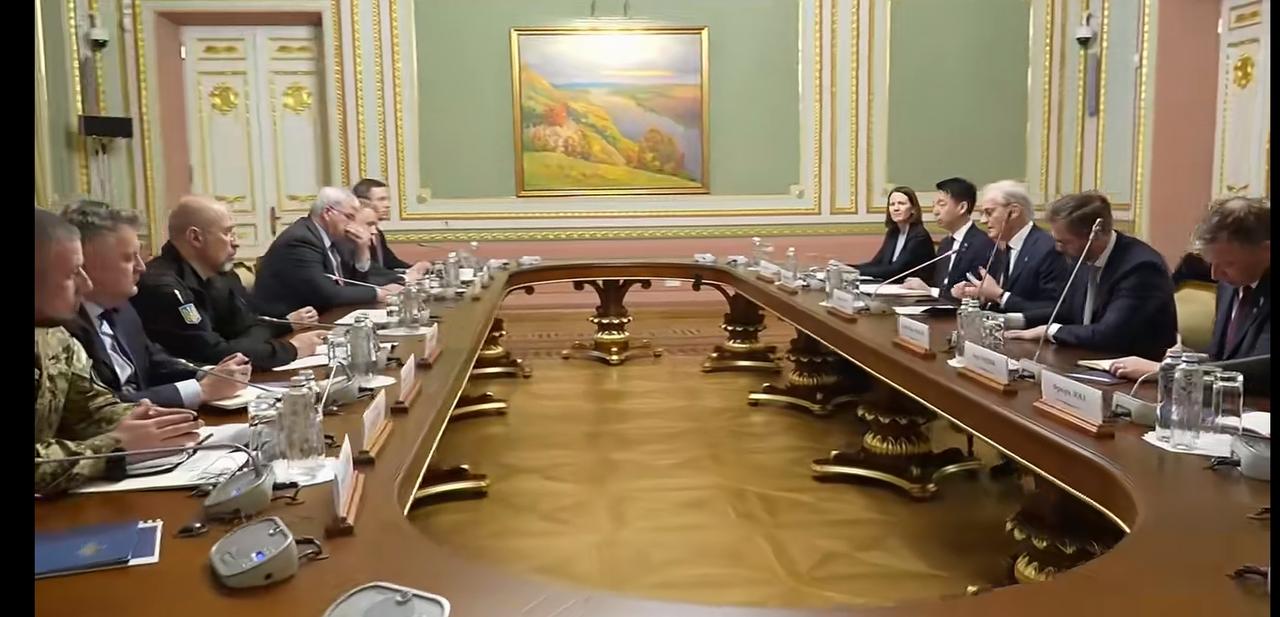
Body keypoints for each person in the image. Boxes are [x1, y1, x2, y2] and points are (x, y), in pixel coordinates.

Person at [35, 208, 202, 496]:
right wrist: (114, 446)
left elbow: (90, 407)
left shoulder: (54, 336)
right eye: (73, 273)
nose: (85, 284)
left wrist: (150, 421)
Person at [60, 200, 251, 409]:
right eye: (128, 258)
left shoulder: (122, 309)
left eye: (139, 255)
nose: (141, 267)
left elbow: (154, 361)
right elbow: (98, 408)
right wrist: (200, 390)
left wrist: (210, 373)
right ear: (84, 263)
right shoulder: (60, 326)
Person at [131, 196, 326, 370]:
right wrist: (291, 349)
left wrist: (277, 328)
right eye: (227, 233)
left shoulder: (221, 274)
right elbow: (215, 355)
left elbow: (247, 327)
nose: (236, 242)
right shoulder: (163, 288)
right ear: (195, 237)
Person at [1108, 197, 1270, 392]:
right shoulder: (1231, 284)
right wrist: (1189, 358)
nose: (1215, 275)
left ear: (1266, 251)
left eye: (1228, 264)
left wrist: (1171, 372)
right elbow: (1226, 357)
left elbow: (1261, 369)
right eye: (1212, 263)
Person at [1005, 192, 1178, 360]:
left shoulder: (1141, 268)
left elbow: (1109, 334)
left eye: (1063, 242)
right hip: (1085, 359)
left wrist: (1050, 331)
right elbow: (1067, 312)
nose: (1057, 248)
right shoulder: (1082, 257)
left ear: (1094, 236)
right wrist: (1013, 321)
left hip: (1129, 368)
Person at [253, 187, 403, 317]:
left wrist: (361, 249)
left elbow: (351, 284)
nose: (353, 224)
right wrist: (378, 293)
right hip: (286, 324)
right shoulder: (301, 240)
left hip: (322, 314)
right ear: (328, 212)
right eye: (349, 217)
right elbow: (326, 294)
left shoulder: (333, 238)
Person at [951, 180, 1068, 315]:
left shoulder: (1047, 248)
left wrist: (999, 295)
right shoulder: (1005, 247)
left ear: (1013, 212)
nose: (983, 221)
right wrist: (979, 295)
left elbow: (1055, 309)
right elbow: (1004, 297)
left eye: (989, 212)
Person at [902, 177, 995, 299]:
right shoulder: (945, 244)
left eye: (942, 204)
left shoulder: (982, 244)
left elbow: (970, 294)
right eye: (934, 205)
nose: (935, 211)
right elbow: (939, 284)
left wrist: (930, 291)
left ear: (962, 207)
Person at [351, 178, 430, 278]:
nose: (387, 205)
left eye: (388, 199)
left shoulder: (377, 233)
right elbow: (371, 271)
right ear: (361, 202)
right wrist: (405, 276)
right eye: (381, 199)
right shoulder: (352, 235)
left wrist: (415, 268)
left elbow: (390, 262)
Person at [854, 186, 936, 281]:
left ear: (913, 209)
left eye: (901, 203)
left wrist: (855, 270)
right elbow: (877, 263)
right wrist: (848, 268)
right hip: (895, 285)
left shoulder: (919, 235)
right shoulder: (893, 232)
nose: (896, 208)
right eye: (892, 204)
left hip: (916, 288)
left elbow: (895, 270)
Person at [354, 198, 408, 286]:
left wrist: (412, 271)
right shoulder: (342, 248)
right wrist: (405, 277)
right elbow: (367, 278)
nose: (374, 231)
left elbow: (388, 263)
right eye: (381, 199)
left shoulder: (375, 236)